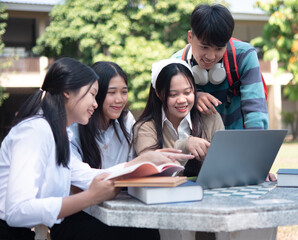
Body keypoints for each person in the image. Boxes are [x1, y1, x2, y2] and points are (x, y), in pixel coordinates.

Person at [0, 57, 193, 240]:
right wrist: (90, 197)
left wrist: (142, 162)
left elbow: (86, 176)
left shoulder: (58, 132)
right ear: (67, 92)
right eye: (93, 95)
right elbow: (17, 212)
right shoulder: (36, 131)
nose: (95, 103)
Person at [51, 61, 160, 240]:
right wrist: (133, 166)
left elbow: (135, 170)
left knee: (147, 228)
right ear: (96, 94)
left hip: (117, 208)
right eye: (112, 93)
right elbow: (79, 180)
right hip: (78, 213)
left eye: (124, 92)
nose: (120, 99)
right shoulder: (72, 127)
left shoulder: (126, 120)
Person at [172, 4, 275, 181]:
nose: (211, 56)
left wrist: (257, 163)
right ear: (190, 37)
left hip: (239, 149)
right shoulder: (176, 64)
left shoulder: (243, 56)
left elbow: (255, 113)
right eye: (204, 47)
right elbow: (166, 114)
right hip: (196, 157)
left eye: (219, 48)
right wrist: (192, 95)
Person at [133, 58, 224, 176]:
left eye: (187, 92)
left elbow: (222, 165)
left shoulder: (210, 117)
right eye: (173, 94)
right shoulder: (145, 128)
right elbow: (152, 173)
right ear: (158, 93)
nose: (181, 100)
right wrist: (184, 146)